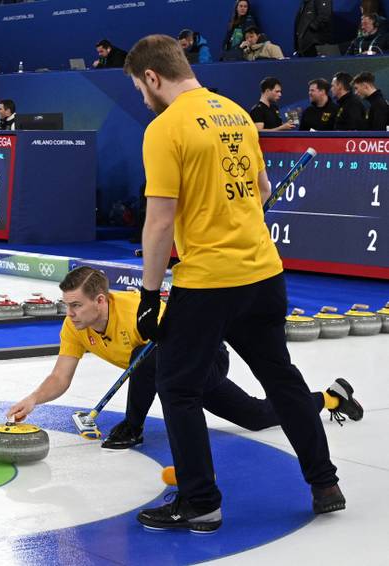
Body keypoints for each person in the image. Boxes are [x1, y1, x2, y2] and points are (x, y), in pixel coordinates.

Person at [124, 34, 343, 533]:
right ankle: (325, 483)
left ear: (152, 77)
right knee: (281, 379)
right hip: (264, 272)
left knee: (177, 385)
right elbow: (262, 190)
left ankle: (200, 501)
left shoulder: (164, 129)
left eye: (140, 88)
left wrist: (149, 296)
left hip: (208, 281)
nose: (143, 98)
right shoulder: (237, 114)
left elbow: (159, 222)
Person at [8, 267, 363, 449]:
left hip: (205, 356)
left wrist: (134, 418)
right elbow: (61, 377)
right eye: (67, 305)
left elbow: (184, 345)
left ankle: (133, 427)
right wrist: (34, 398)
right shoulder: (74, 327)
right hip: (174, 371)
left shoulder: (136, 311)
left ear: (100, 300)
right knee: (255, 416)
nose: (69, 313)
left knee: (146, 356)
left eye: (76, 305)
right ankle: (331, 397)